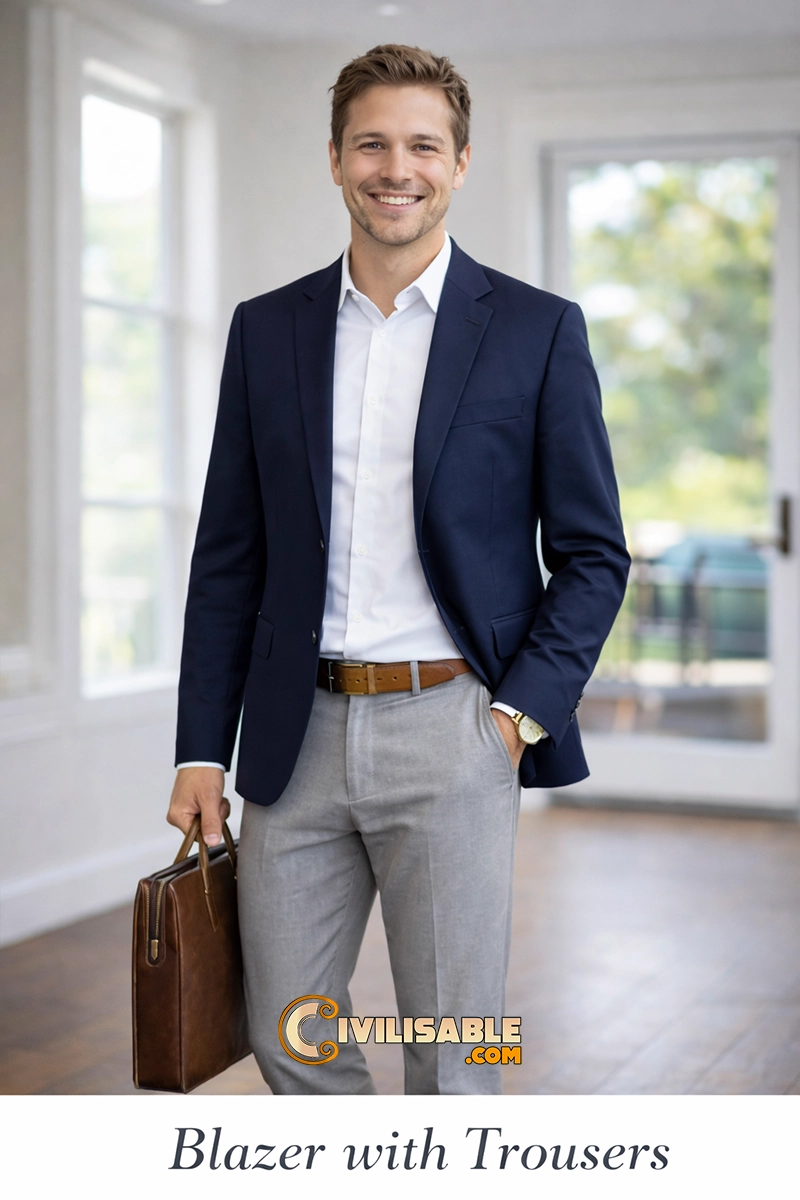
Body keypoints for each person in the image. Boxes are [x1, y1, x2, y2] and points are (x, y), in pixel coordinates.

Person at [167, 43, 630, 1095]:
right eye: (371, 142)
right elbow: (227, 561)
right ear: (334, 159)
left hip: (455, 731)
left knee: (457, 1051)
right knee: (292, 1041)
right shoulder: (266, 331)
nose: (395, 166)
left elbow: (594, 553)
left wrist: (513, 718)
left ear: (458, 162)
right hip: (294, 739)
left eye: (422, 144)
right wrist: (201, 748)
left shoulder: (534, 332)